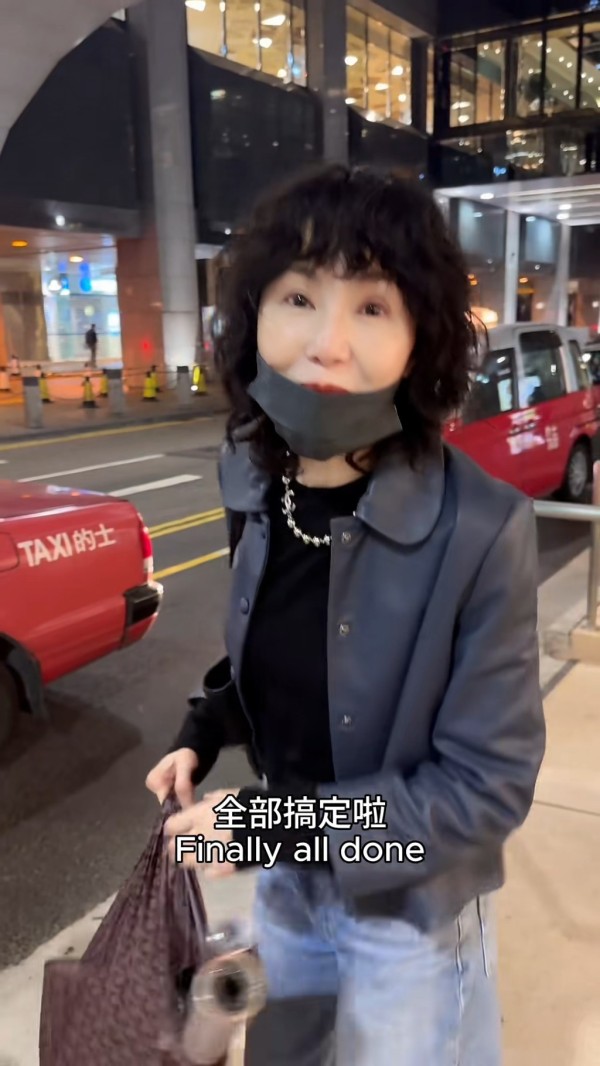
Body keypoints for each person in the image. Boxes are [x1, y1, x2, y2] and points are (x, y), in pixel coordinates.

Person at [145, 164, 546, 1065]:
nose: (327, 342)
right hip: (288, 889)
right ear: (254, 314)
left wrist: (267, 824)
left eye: (371, 306)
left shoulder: (482, 528)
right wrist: (204, 728)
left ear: (420, 340)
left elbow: (484, 789)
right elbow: (290, 648)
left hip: (408, 913)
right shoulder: (254, 477)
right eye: (298, 297)